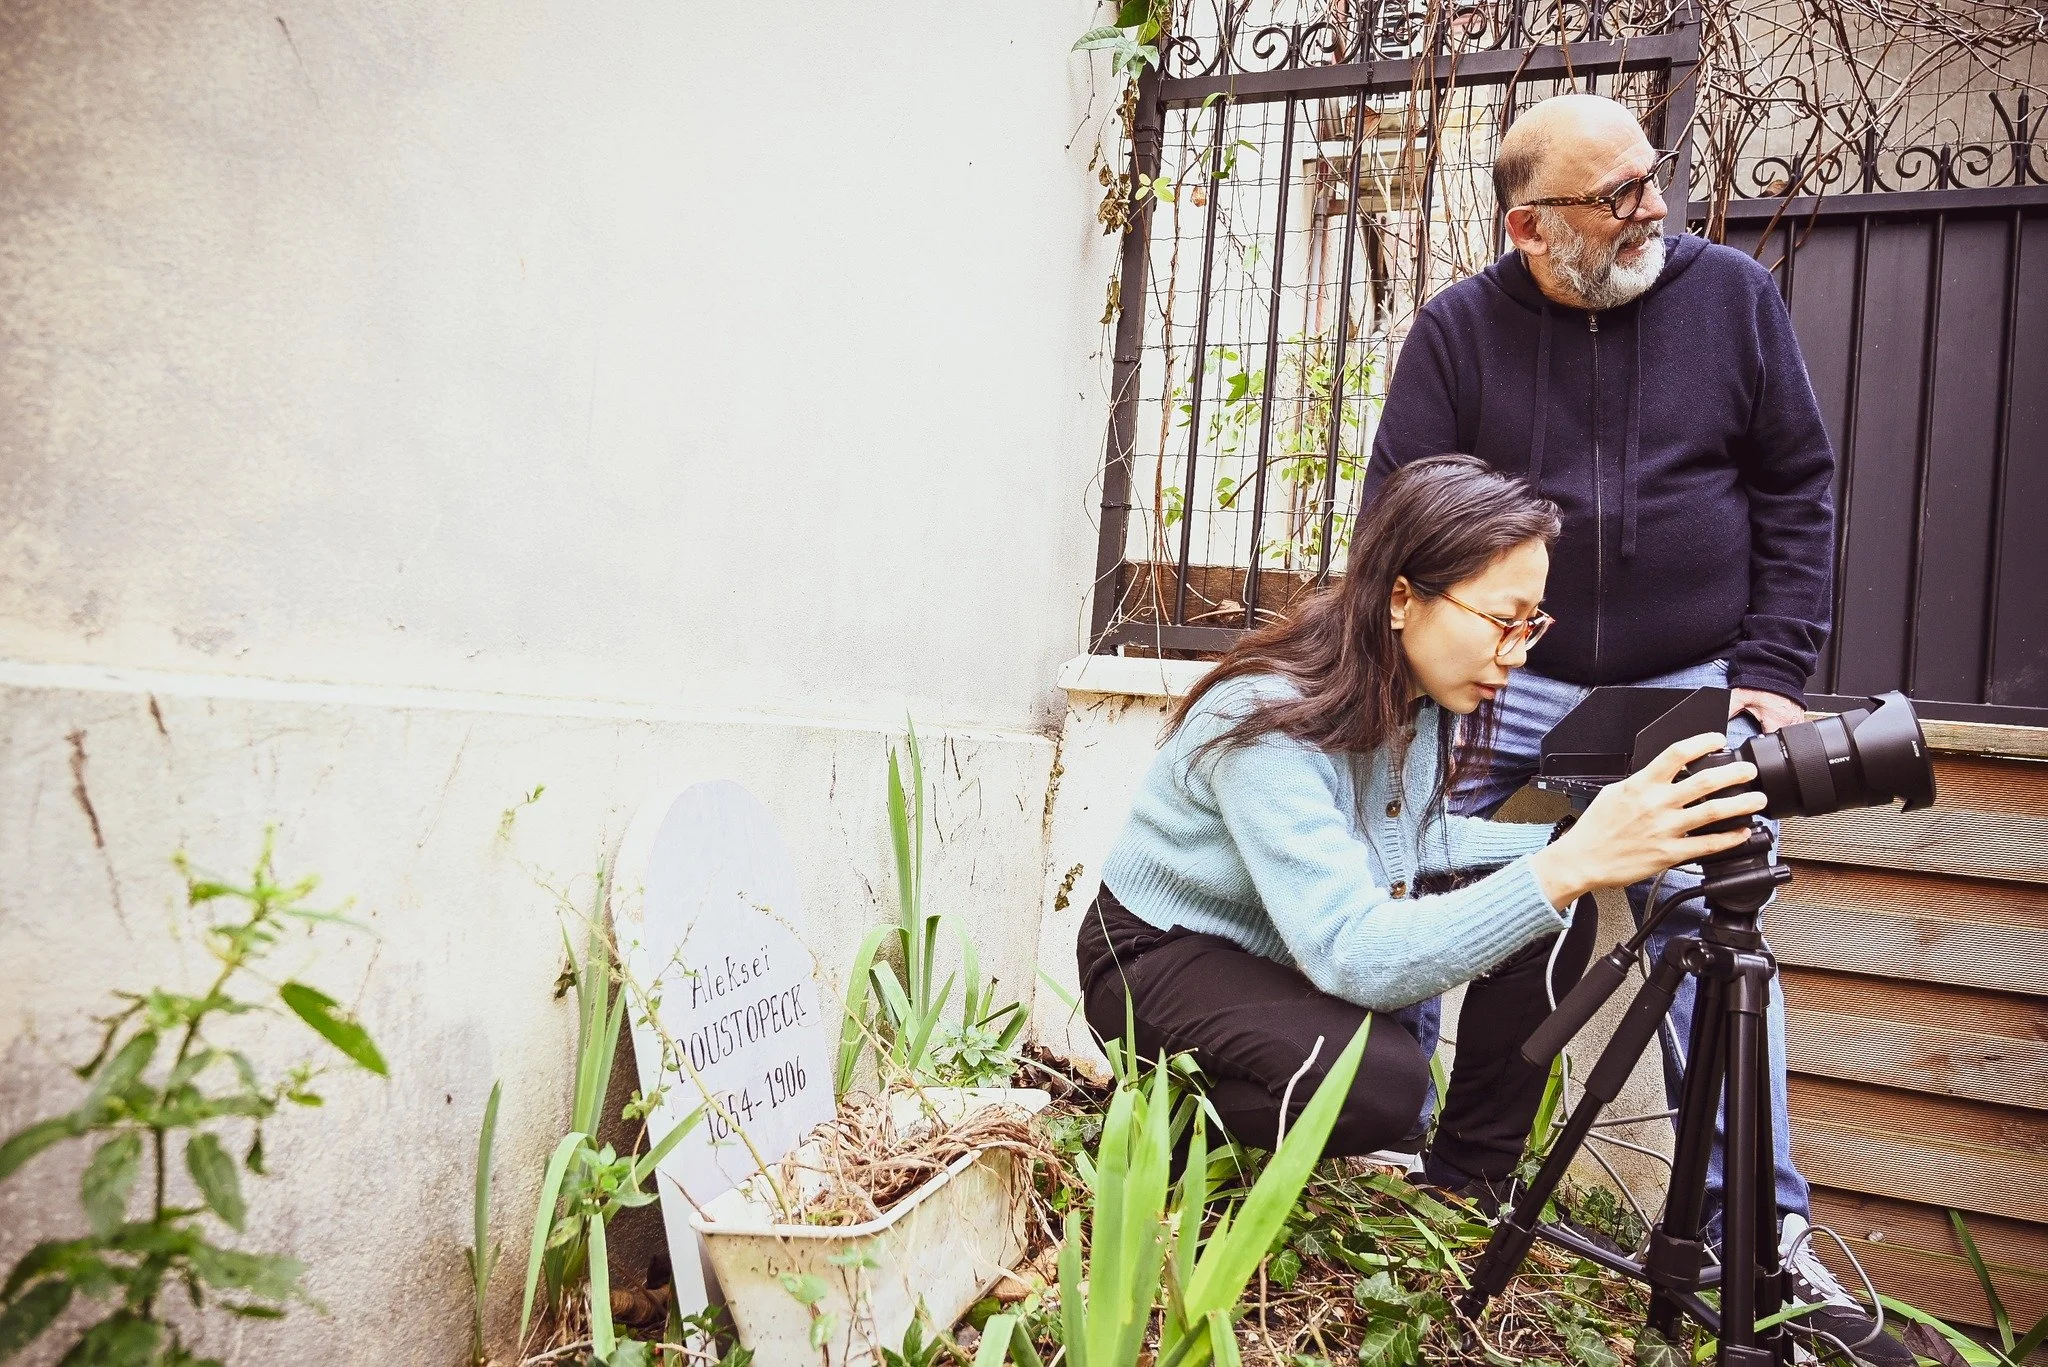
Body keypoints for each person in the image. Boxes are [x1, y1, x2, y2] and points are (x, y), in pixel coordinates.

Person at [1366, 94, 1906, 1365]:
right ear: (1529, 225)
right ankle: (1440, 1178)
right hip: (1512, 685)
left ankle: (1757, 1243)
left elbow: (1795, 482)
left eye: (1649, 178)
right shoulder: (1454, 333)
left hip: (1697, 682)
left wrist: (1768, 670)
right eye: (1614, 196)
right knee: (1462, 907)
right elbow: (1397, 514)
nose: (1651, 206)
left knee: (1717, 939)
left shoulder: (1727, 298)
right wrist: (1453, 665)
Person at [1076, 455, 1768, 1199]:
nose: (1518, 654)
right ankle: (1175, 1120)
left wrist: (1573, 847)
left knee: (1555, 920)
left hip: (1272, 951)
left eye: (1530, 624)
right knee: (1381, 1086)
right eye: (1503, 622)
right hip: (1156, 956)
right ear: (1403, 596)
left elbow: (1417, 842)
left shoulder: (1414, 698)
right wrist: (1570, 863)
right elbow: (1352, 951)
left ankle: (1468, 1182)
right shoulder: (1264, 719)